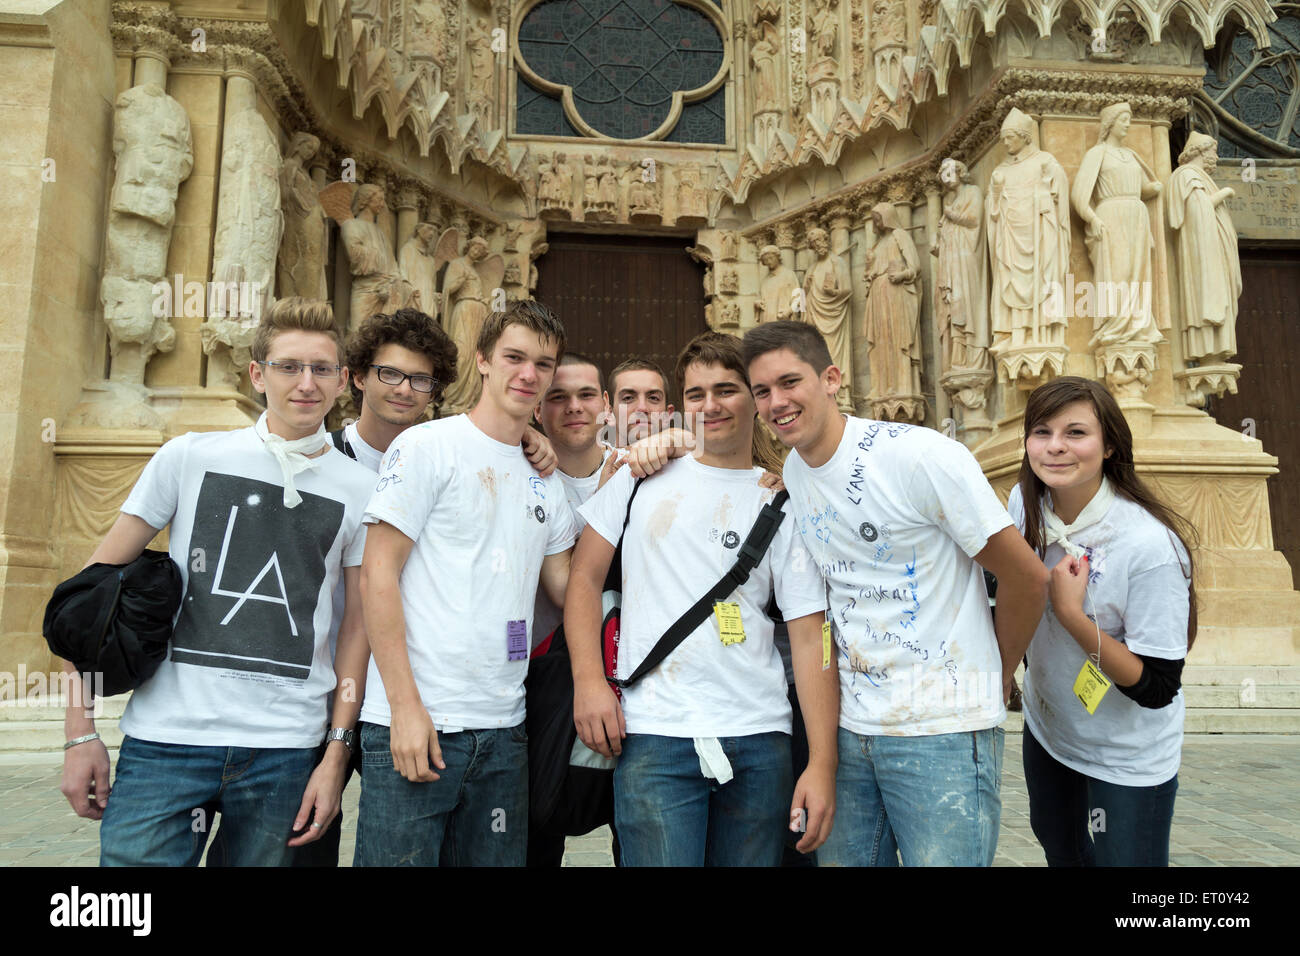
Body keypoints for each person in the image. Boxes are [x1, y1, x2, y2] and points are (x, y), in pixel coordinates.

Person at [60, 297, 374, 866]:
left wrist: (335, 753)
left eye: (322, 369)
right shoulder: (188, 457)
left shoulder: (361, 489)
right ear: (258, 374)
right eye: (288, 367)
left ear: (343, 380)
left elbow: (357, 630)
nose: (306, 383)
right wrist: (80, 731)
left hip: (287, 751)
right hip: (166, 741)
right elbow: (88, 596)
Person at [742, 320, 1049, 866]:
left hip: (944, 732)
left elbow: (1027, 577)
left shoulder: (921, 457)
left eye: (790, 382)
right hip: (853, 732)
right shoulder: (794, 469)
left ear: (831, 378)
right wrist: (821, 757)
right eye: (762, 391)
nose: (776, 402)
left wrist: (997, 672)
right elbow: (819, 624)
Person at [568, 331, 838, 867]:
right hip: (655, 733)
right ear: (682, 405)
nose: (710, 406)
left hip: (759, 737)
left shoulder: (782, 500)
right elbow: (583, 581)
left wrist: (822, 762)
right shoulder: (639, 478)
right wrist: (588, 685)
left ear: (756, 399)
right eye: (696, 394)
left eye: (727, 390)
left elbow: (811, 638)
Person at [355, 299, 578, 867]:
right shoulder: (427, 446)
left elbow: (569, 589)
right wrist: (404, 708)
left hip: (505, 731)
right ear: (482, 360)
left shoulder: (545, 478)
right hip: (418, 723)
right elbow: (377, 575)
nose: (529, 374)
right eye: (514, 357)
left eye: (544, 364)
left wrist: (643, 474)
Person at [1008, 376, 1194, 867]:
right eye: (1041, 432)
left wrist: (1071, 615)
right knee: (1062, 855)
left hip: (1124, 757)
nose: (1054, 448)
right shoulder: (1024, 507)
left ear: (1109, 444)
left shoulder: (1149, 546)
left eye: (1075, 433)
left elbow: (1156, 686)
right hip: (1051, 734)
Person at [294, 306, 455, 866]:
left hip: (410, 691)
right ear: (358, 376)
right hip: (321, 685)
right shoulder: (318, 460)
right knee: (302, 847)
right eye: (389, 373)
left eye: (420, 379)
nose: (404, 389)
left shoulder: (448, 463)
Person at [526, 352, 622, 867]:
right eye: (557, 397)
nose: (574, 407)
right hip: (535, 682)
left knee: (634, 832)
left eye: (587, 395)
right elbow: (569, 589)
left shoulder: (638, 468)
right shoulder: (516, 468)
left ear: (606, 405)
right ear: (538, 408)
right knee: (536, 827)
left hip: (630, 685)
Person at [608, 358, 674, 446]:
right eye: (628, 398)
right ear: (609, 413)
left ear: (668, 415)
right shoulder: (593, 459)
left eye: (653, 398)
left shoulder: (690, 458)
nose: (642, 408)